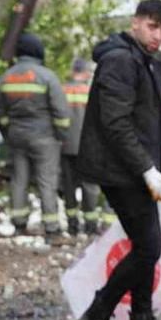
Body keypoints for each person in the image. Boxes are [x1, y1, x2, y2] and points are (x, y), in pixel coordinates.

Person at [71, 0, 161, 320]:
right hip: (122, 171)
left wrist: (159, 168)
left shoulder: (144, 58)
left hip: (136, 170)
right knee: (148, 247)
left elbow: (147, 121)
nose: (158, 36)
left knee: (147, 248)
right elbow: (116, 123)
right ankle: (96, 315)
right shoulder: (121, 59)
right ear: (136, 22)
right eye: (152, 26)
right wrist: (147, 169)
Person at [0, 33, 71, 237]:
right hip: (44, 137)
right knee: (47, 180)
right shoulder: (47, 76)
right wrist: (62, 135)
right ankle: (51, 227)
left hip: (17, 136)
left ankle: (18, 222)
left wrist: (9, 128)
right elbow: (61, 112)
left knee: (19, 179)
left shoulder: (5, 77)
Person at [59, 58, 101, 235]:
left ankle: (72, 225)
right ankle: (91, 226)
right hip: (88, 147)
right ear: (84, 72)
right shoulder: (93, 92)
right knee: (90, 186)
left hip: (65, 146)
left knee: (68, 187)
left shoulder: (61, 90)